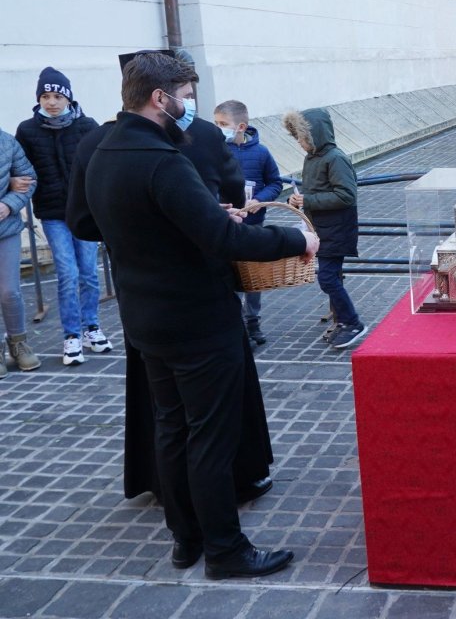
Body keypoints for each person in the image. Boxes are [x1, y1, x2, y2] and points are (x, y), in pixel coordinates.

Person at [78, 52, 315, 578]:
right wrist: (295, 237)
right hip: (196, 319)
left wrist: (209, 215)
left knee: (173, 429)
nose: (190, 107)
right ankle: (225, 551)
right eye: (185, 96)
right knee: (210, 436)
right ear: (160, 98)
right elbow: (223, 238)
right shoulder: (162, 160)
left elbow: (147, 223)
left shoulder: (103, 151)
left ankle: (186, 540)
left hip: (145, 318)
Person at [15, 67, 112, 366]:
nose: (52, 102)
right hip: (54, 213)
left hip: (85, 212)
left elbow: (101, 166)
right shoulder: (27, 130)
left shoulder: (87, 126)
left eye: (57, 95)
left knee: (88, 272)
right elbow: (21, 167)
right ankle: (71, 334)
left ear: (68, 97)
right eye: (45, 96)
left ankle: (91, 327)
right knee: (67, 274)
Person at [283, 108, 368, 350]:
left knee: (328, 277)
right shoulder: (314, 157)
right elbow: (316, 192)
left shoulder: (335, 158)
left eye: (300, 137)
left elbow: (347, 195)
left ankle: (352, 322)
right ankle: (344, 321)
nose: (298, 143)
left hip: (336, 229)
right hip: (322, 229)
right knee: (330, 277)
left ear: (313, 136)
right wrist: (299, 200)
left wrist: (308, 200)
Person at [214, 100, 283, 346]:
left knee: (253, 276)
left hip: (254, 224)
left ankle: (253, 322)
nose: (218, 129)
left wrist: (260, 200)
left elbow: (275, 182)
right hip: (226, 224)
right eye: (216, 124)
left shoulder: (261, 153)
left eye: (223, 124)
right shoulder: (216, 151)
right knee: (229, 274)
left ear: (241, 126)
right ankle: (234, 325)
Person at [0, 132, 37, 377]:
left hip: (6, 229)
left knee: (9, 291)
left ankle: (18, 342)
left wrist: (8, 204)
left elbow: (29, 179)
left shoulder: (6, 142)